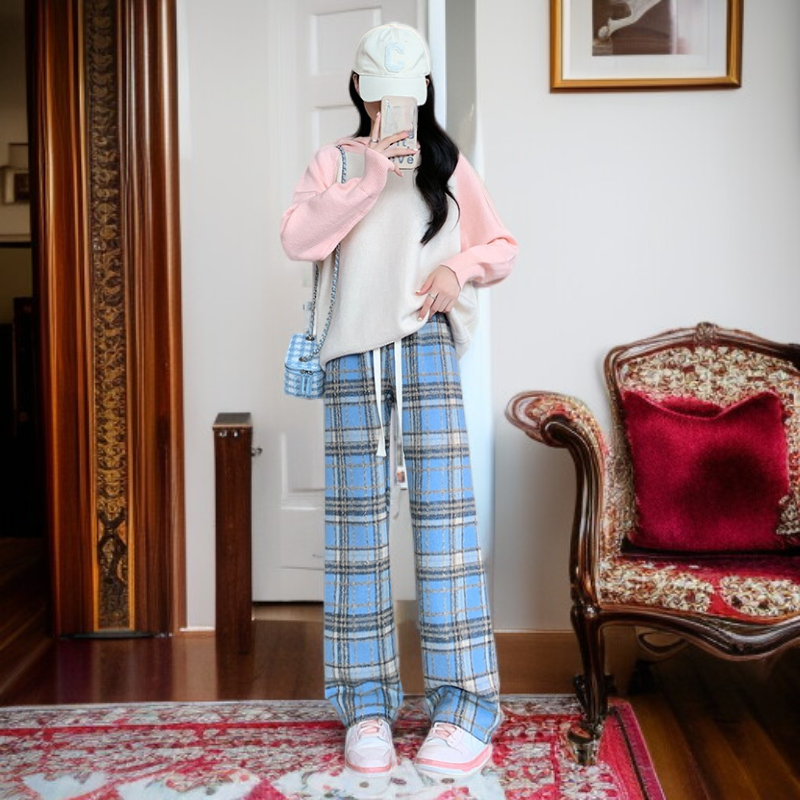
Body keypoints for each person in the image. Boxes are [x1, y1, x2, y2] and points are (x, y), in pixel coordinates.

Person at [280, 21, 517, 778]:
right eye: (381, 94)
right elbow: (300, 240)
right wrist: (370, 175)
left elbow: (500, 246)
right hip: (353, 360)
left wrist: (457, 271)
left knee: (446, 533)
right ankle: (367, 708)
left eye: (405, 95)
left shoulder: (447, 163)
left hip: (426, 351)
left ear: (424, 91)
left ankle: (464, 708)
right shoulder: (335, 161)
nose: (393, 108)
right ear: (359, 89)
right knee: (357, 539)